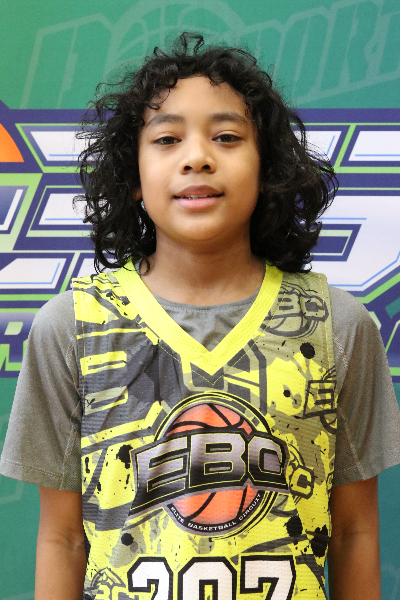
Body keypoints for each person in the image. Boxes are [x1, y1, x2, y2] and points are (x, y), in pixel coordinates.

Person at [1, 33, 400, 600]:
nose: (197, 157)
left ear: (266, 168)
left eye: (227, 137)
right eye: (167, 139)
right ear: (134, 178)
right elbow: (62, 538)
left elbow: (355, 531)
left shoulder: (336, 324)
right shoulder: (72, 326)